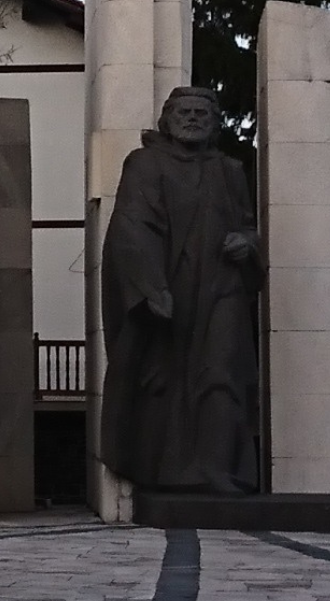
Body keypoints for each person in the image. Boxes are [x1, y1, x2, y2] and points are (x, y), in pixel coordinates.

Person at [99, 86, 262, 493]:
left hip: (222, 288)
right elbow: (129, 227)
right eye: (184, 112)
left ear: (215, 124)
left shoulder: (229, 170)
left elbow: (247, 226)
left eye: (202, 114)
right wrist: (151, 287)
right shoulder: (145, 164)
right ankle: (170, 470)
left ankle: (218, 469)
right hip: (171, 289)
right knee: (164, 377)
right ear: (167, 119)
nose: (192, 119)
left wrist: (247, 244)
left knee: (222, 372)